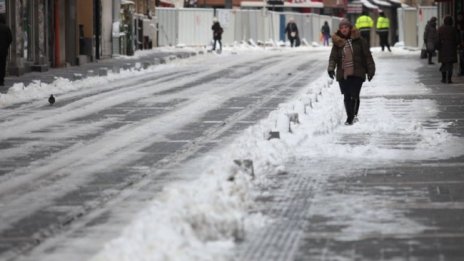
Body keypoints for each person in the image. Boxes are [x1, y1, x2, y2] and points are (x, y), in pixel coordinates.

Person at [327, 18, 376, 125]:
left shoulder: (360, 40)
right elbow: (333, 58)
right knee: (347, 95)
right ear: (339, 29)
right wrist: (331, 68)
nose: (344, 29)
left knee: (355, 94)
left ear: (350, 28)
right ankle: (350, 117)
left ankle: (352, 116)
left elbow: (367, 56)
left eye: (346, 27)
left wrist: (371, 70)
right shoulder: (337, 42)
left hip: (358, 71)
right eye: (342, 28)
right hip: (343, 72)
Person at [437, 15, 460, 83]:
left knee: (444, 64)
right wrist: (455, 45)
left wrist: (438, 47)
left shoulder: (440, 29)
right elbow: (457, 39)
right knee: (450, 65)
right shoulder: (453, 29)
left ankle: (443, 78)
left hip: (442, 49)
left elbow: (437, 40)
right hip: (451, 49)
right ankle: (449, 79)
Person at [0, 14, 12, 87]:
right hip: (3, 51)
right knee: (2, 65)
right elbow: (10, 39)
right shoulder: (6, 28)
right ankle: (1, 80)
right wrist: (6, 46)